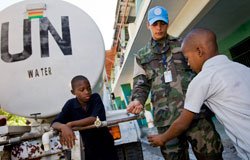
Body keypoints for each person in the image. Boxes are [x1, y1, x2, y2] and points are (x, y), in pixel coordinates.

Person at [127, 6, 223, 160]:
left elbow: (203, 70)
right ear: (148, 25)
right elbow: (140, 83)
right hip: (166, 121)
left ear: (168, 23)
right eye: (154, 24)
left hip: (195, 114)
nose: (159, 28)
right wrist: (137, 100)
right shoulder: (141, 56)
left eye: (162, 23)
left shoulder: (184, 44)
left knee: (212, 156)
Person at [147, 28, 250, 160]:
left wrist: (162, 138)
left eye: (187, 58)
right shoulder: (242, 68)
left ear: (199, 51)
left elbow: (182, 124)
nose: (188, 64)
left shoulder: (202, 80)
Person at [51, 75, 118, 160]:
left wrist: (70, 124)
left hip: (105, 144)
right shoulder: (70, 105)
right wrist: (63, 127)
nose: (86, 92)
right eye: (81, 90)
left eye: (89, 88)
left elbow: (94, 119)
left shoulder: (95, 98)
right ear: (73, 92)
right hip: (88, 149)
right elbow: (54, 123)